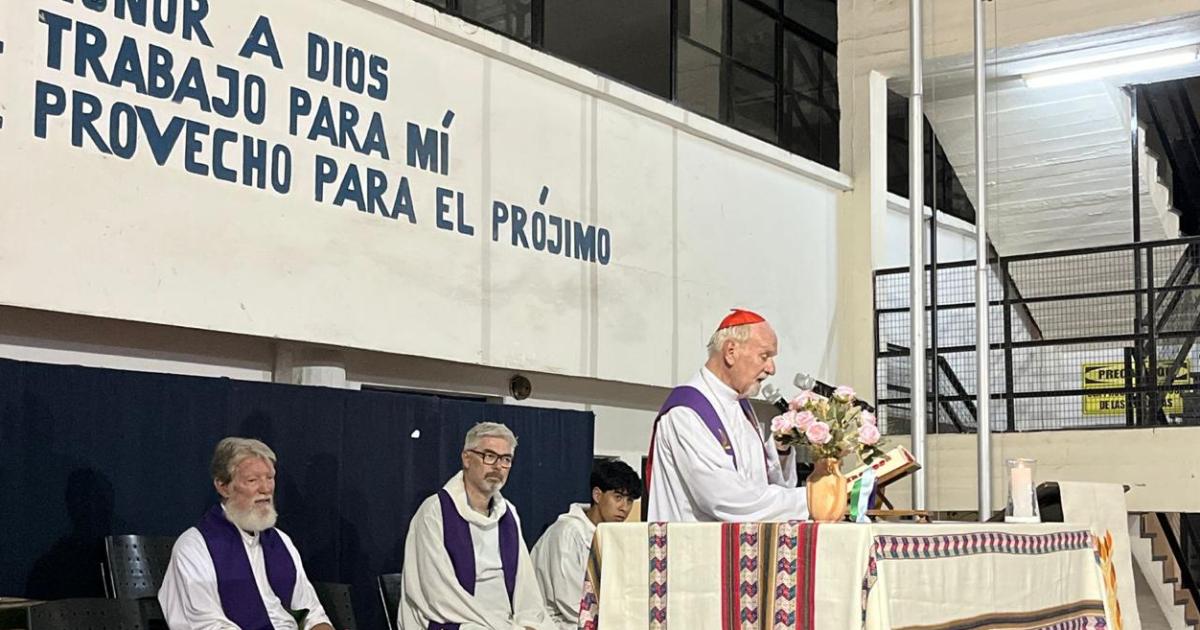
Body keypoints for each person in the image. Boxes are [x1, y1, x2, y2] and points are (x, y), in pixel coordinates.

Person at [645, 308, 808, 522]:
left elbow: (760, 486)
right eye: (764, 356)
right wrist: (810, 499)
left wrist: (780, 449)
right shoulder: (686, 412)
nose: (771, 369)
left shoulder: (742, 407)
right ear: (731, 351)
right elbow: (724, 499)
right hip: (693, 550)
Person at [158, 437, 333, 630]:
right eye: (252, 480)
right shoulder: (194, 547)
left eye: (270, 478)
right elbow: (206, 625)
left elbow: (311, 613)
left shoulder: (281, 542)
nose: (266, 489)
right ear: (223, 486)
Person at [399, 422, 549, 630]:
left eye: (506, 459)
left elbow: (526, 585)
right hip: (456, 620)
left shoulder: (509, 514)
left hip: (505, 622)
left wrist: (527, 623)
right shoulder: (436, 512)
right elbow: (439, 594)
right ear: (467, 458)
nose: (498, 467)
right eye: (489, 456)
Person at [530, 458, 641, 629]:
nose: (624, 508)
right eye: (618, 497)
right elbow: (572, 602)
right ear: (597, 495)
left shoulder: (610, 535)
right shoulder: (568, 532)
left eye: (629, 501)